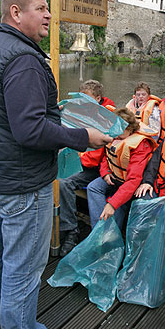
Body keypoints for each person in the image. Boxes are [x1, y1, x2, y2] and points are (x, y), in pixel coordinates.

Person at [0, 0, 111, 329]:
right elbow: (29, 130)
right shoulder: (23, 60)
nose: (49, 15)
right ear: (15, 13)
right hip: (24, 186)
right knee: (23, 270)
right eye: (40, 8)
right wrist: (84, 137)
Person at [58, 79, 116, 257]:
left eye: (86, 98)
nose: (82, 102)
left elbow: (94, 157)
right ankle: (53, 223)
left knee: (63, 182)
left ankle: (71, 230)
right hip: (80, 161)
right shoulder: (80, 112)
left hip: (95, 168)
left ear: (98, 98)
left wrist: (75, 156)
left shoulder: (107, 117)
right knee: (51, 174)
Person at [87, 108, 157, 229]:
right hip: (115, 177)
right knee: (93, 187)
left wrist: (112, 204)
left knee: (118, 204)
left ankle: (108, 232)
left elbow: (133, 180)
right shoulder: (115, 136)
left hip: (133, 184)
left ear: (130, 129)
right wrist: (105, 173)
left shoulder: (140, 145)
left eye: (121, 129)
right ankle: (99, 229)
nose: (116, 134)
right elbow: (106, 156)